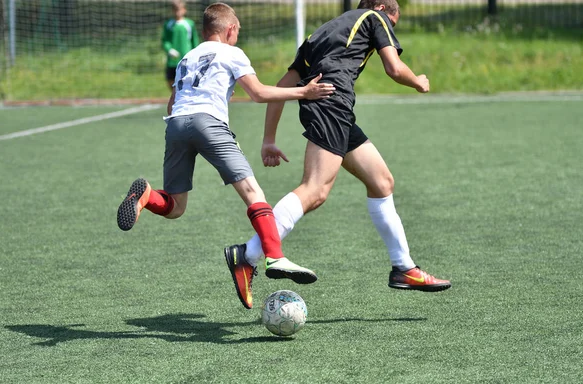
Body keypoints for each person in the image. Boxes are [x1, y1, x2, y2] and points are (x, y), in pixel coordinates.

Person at [117, 2, 335, 310]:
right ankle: (275, 257)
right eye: (237, 32)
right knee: (253, 192)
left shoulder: (187, 57)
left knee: (176, 207)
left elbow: (172, 106)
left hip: (176, 125)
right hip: (209, 124)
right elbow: (258, 93)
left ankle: (147, 196)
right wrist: (304, 92)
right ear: (230, 30)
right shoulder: (232, 53)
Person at [225, 0, 451, 293]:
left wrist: (269, 138)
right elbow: (394, 68)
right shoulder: (374, 17)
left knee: (382, 182)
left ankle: (403, 268)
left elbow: (283, 85)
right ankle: (248, 254)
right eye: (391, 26)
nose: (390, 33)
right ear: (382, 8)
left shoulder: (321, 34)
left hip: (334, 109)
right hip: (332, 104)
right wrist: (418, 82)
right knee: (315, 190)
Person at [161, 0, 200, 90]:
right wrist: (169, 50)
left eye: (179, 10)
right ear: (172, 10)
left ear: (184, 10)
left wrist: (196, 54)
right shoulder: (168, 24)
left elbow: (194, 40)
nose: (177, 12)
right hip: (173, 60)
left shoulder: (189, 24)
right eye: (175, 10)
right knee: (170, 80)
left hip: (187, 59)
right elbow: (165, 40)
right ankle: (174, 97)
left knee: (187, 81)